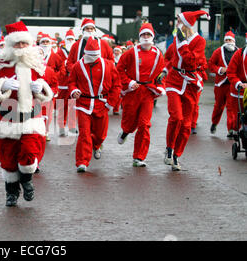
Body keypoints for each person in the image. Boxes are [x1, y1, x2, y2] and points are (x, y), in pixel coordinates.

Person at [0, 21, 53, 206]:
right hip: (8, 119)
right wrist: (2, 85)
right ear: (10, 45)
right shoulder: (0, 65)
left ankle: (26, 180)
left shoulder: (37, 65)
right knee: (8, 160)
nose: (21, 47)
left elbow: (48, 92)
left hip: (30, 119)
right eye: (17, 44)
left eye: (24, 43)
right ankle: (11, 192)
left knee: (29, 153)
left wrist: (41, 88)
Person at [160, 11, 209, 171]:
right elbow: (169, 57)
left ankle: (176, 155)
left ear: (186, 24)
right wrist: (166, 70)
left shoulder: (199, 41)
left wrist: (183, 45)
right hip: (174, 81)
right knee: (176, 117)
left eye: (179, 21)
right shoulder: (177, 38)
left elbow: (191, 62)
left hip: (190, 84)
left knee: (187, 125)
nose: (177, 24)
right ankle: (169, 149)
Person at [116, 23, 166, 167]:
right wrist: (129, 82)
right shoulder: (131, 52)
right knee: (130, 123)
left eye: (148, 35)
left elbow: (161, 74)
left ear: (152, 37)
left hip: (148, 93)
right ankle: (125, 132)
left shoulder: (157, 54)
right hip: (133, 91)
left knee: (144, 125)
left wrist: (161, 87)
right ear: (139, 37)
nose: (146, 37)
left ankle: (139, 157)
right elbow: (119, 69)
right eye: (143, 35)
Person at [68, 37, 121, 173]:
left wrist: (110, 103)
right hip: (83, 104)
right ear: (85, 54)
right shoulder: (78, 66)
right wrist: (74, 91)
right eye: (90, 56)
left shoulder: (109, 65)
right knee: (84, 133)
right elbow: (72, 81)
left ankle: (97, 145)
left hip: (102, 104)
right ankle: (82, 161)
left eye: (95, 55)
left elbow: (116, 85)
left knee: (100, 134)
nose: (93, 58)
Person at [208, 31, 239, 137]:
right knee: (219, 106)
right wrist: (220, 69)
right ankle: (214, 123)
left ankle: (231, 129)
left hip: (232, 84)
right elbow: (211, 64)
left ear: (233, 41)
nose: (228, 42)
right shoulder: (218, 51)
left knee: (231, 107)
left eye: (230, 40)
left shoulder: (238, 52)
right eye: (226, 40)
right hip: (220, 84)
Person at [38, 33, 64, 141]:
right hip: (37, 89)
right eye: (43, 42)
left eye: (47, 42)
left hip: (49, 88)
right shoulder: (35, 55)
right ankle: (37, 130)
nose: (45, 44)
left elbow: (62, 69)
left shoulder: (55, 56)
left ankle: (46, 132)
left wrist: (53, 76)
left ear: (50, 43)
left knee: (48, 112)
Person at [57, 29, 77, 136]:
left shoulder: (76, 50)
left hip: (73, 83)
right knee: (61, 105)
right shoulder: (60, 52)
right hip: (63, 83)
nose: (70, 41)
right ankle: (61, 126)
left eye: (71, 39)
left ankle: (72, 126)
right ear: (65, 40)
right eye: (68, 39)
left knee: (73, 105)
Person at [226, 36, 247, 138]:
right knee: (237, 114)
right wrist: (238, 83)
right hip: (239, 90)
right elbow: (230, 72)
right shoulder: (239, 54)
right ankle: (235, 130)